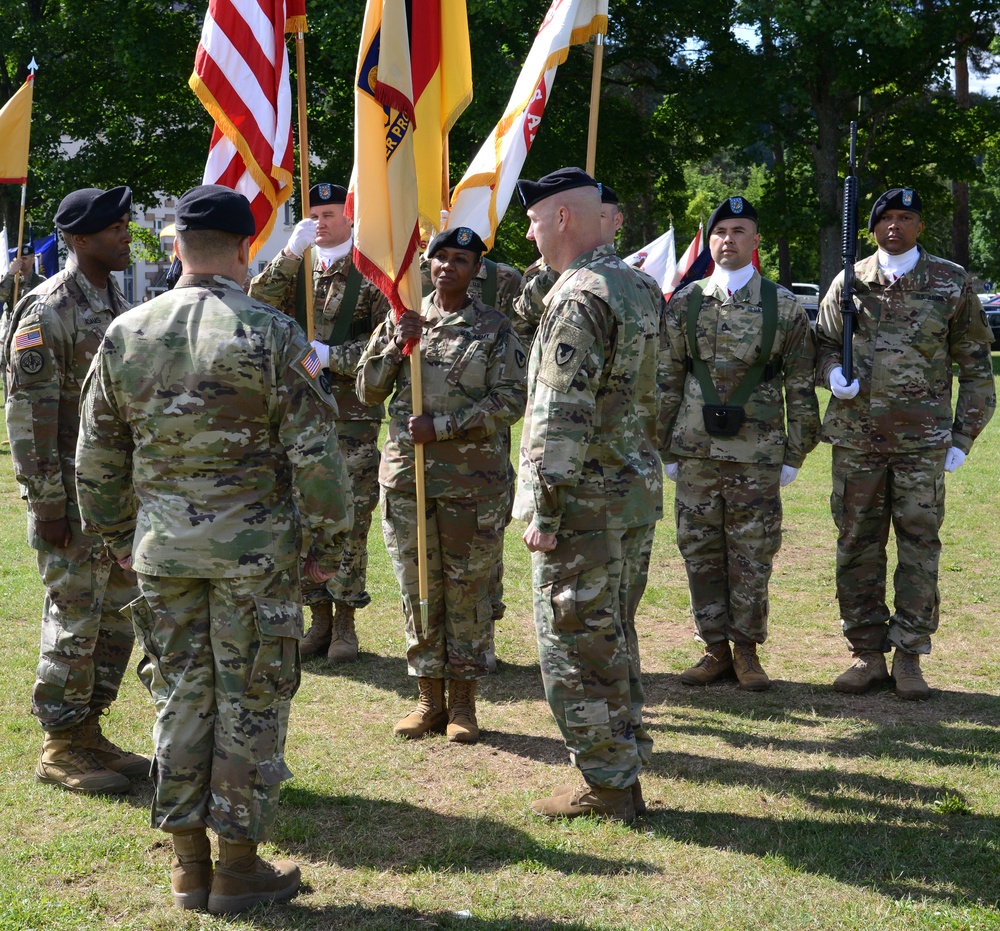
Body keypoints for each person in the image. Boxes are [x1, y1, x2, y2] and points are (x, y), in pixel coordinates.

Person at [74, 184, 352, 914]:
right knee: (249, 703)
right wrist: (326, 549)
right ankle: (236, 867)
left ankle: (187, 867)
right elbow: (319, 458)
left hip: (163, 556)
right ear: (244, 248)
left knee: (180, 698)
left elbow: (95, 459)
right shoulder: (274, 333)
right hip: (254, 559)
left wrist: (116, 540)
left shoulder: (127, 332)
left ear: (175, 249)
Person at [513, 167, 663, 823]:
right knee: (612, 634)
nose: (528, 230)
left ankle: (605, 782)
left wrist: (545, 512)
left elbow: (559, 412)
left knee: (574, 641)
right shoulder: (639, 285)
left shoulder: (580, 297)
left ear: (563, 218)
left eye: (534, 218)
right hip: (630, 492)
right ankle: (618, 766)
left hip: (584, 503)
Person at [816, 187, 995, 700]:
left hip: (922, 444)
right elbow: (822, 344)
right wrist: (832, 374)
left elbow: (977, 368)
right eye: (886, 218)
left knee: (919, 545)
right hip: (857, 441)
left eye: (906, 217)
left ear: (920, 226)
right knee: (856, 545)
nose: (895, 226)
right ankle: (867, 653)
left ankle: (911, 655)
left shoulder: (950, 282)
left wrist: (963, 436)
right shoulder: (850, 283)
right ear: (872, 228)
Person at [357, 226, 527, 744]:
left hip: (472, 484)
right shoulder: (403, 319)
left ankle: (464, 705)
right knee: (418, 590)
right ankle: (428, 699)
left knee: (468, 590)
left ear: (477, 271)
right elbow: (366, 391)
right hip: (408, 481)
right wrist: (393, 341)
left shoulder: (496, 329)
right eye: (440, 257)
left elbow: (512, 401)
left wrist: (447, 427)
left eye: (461, 259)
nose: (447, 266)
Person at [3, 186, 147, 796]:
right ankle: (59, 745)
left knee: (114, 620)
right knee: (74, 619)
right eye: (114, 228)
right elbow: (27, 418)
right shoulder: (48, 308)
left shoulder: (116, 298)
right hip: (71, 501)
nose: (126, 236)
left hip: (115, 499)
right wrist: (48, 505)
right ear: (78, 239)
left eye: (125, 225)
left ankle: (88, 729)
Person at [662, 196, 820, 692]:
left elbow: (801, 385)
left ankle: (746, 651)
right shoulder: (686, 303)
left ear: (755, 242)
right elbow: (666, 380)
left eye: (738, 231)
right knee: (699, 550)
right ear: (710, 241)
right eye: (720, 232)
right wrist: (663, 448)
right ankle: (713, 649)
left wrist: (796, 451)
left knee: (752, 552)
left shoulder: (785, 306)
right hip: (695, 453)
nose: (727, 240)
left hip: (758, 453)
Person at [250, 182, 389, 663]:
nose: (322, 223)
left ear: (351, 218)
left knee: (349, 518)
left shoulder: (369, 274)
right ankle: (318, 620)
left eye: (331, 214)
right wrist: (290, 252)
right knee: (302, 515)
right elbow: (257, 301)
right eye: (314, 216)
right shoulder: (299, 267)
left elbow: (385, 346)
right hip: (294, 414)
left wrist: (333, 356)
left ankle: (346, 623)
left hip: (351, 417)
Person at [1, 243, 46, 395]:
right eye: (19, 258)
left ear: (33, 259)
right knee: (6, 372)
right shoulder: (10, 279)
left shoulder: (41, 282)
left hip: (29, 334)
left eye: (25, 258)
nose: (21, 261)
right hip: (8, 334)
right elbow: (1, 296)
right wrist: (10, 274)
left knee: (29, 369)